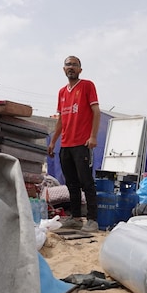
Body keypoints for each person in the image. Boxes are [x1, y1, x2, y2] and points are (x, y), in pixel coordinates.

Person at [47, 55, 101, 232]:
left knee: (86, 182)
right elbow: (61, 120)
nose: (71, 67)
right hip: (66, 145)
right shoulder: (62, 92)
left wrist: (93, 137)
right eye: (68, 65)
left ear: (80, 69)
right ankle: (76, 218)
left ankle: (92, 220)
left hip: (82, 144)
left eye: (74, 65)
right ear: (63, 69)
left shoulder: (87, 85)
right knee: (71, 183)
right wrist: (53, 141)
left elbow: (96, 112)